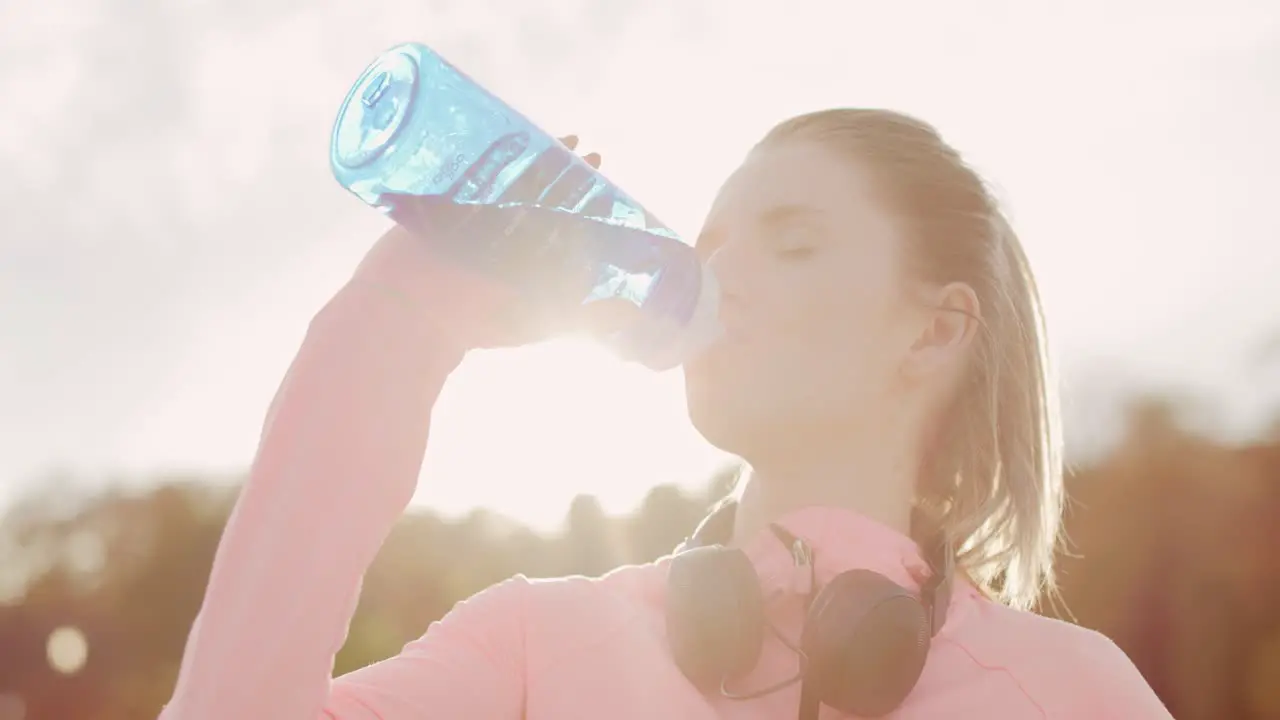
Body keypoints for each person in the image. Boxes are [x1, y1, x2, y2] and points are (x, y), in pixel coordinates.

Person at [160, 110, 1172, 719]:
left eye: (794, 242)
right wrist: (399, 321)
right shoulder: (534, 640)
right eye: (712, 238)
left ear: (934, 332)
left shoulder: (1068, 693)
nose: (718, 269)